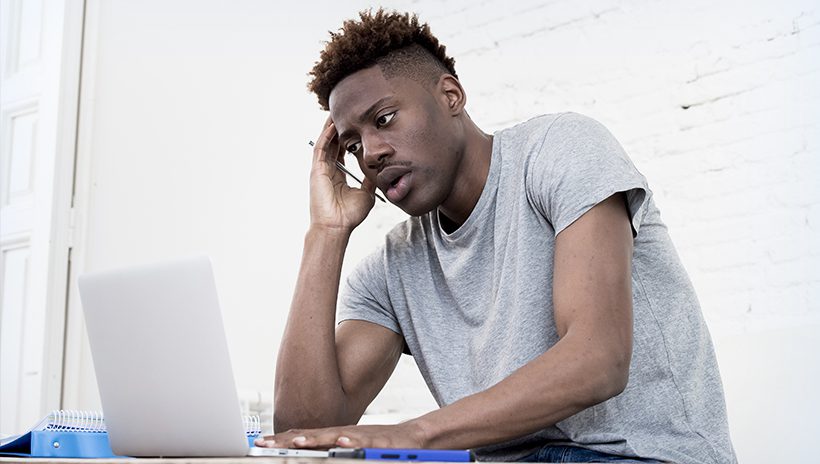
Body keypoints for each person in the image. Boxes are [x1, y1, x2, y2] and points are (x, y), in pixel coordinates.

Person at [255, 8, 736, 464]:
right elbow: (305, 431)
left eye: (384, 119)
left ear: (450, 96)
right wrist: (326, 231)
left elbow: (598, 359)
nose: (373, 153)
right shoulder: (391, 268)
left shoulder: (559, 151)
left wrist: (415, 434)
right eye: (354, 144)